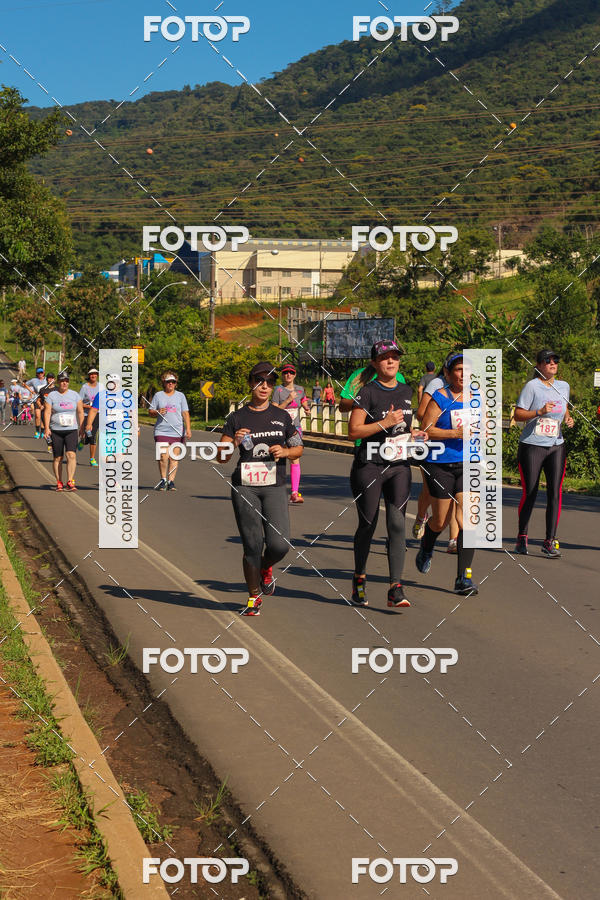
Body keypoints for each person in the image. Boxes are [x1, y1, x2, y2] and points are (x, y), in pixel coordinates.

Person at [218, 361, 304, 616]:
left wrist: (286, 451)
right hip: (246, 487)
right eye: (259, 380)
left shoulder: (282, 416)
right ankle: (253, 597)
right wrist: (232, 442)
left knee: (280, 544)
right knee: (252, 545)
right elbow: (221, 457)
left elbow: (298, 447)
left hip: (274, 486)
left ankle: (266, 568)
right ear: (250, 383)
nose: (264, 386)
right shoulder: (237, 417)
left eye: (269, 381)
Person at [348, 340, 428, 609]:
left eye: (394, 357)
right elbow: (354, 431)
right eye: (384, 358)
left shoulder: (406, 391)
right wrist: (383, 422)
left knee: (397, 524)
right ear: (375, 363)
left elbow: (403, 426)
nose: (391, 362)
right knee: (368, 525)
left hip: (398, 466)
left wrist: (414, 434)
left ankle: (396, 587)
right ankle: (359, 577)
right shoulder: (367, 393)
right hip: (369, 466)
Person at [417, 352, 478, 595]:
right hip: (439, 462)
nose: (463, 374)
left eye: (467, 370)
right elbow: (426, 430)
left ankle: (463, 577)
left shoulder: (478, 398)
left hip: (468, 462)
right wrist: (454, 434)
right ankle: (427, 546)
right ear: (449, 373)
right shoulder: (440, 398)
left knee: (469, 522)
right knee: (440, 521)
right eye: (459, 369)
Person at [513, 349, 573, 558]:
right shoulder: (532, 387)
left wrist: (567, 417)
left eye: (555, 360)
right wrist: (539, 412)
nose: (552, 363)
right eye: (547, 360)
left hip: (556, 445)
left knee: (555, 493)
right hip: (532, 445)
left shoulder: (563, 386)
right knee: (530, 491)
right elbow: (518, 414)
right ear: (538, 365)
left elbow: (563, 405)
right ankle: (522, 536)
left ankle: (550, 541)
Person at [272, 362, 310, 504]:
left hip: (295, 430)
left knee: (295, 457)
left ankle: (294, 492)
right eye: (285, 372)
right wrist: (288, 400)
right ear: (282, 375)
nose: (288, 375)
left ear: (295, 375)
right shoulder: (278, 390)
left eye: (291, 372)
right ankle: (275, 489)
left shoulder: (300, 389)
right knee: (278, 457)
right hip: (279, 428)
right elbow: (274, 410)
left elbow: (303, 399)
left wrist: (306, 407)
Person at [148, 371, 191, 491]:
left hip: (177, 431)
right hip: (161, 430)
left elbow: (185, 413)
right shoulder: (158, 395)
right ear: (164, 383)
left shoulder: (180, 396)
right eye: (168, 381)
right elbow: (150, 411)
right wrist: (157, 412)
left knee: (174, 457)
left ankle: (171, 481)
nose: (171, 383)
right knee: (163, 456)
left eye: (173, 382)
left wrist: (188, 428)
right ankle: (163, 480)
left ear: (176, 383)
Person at [43, 373, 84, 491]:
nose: (64, 383)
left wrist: (82, 427)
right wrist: (46, 428)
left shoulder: (75, 395)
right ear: (58, 382)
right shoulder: (52, 395)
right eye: (62, 381)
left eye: (66, 380)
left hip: (71, 430)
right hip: (56, 430)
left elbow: (80, 412)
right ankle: (59, 481)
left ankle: (70, 480)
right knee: (58, 458)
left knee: (71, 455)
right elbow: (47, 412)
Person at [79, 368, 104, 466]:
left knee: (93, 435)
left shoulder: (101, 386)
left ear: (97, 375)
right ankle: (83, 440)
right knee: (87, 435)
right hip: (86, 414)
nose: (93, 376)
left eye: (95, 374)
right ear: (89, 376)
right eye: (91, 374)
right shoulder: (84, 387)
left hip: (98, 413)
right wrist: (89, 406)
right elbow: (79, 402)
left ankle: (92, 458)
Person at [25, 367, 47, 437]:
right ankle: (37, 431)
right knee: (37, 416)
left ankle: (43, 432)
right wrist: (31, 391)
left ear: (44, 373)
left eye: (41, 373)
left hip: (46, 400)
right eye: (39, 373)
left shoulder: (47, 379)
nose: (40, 374)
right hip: (37, 399)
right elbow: (25, 384)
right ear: (37, 374)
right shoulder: (34, 380)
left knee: (44, 416)